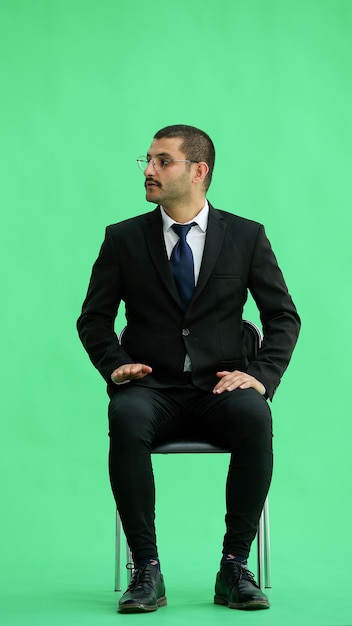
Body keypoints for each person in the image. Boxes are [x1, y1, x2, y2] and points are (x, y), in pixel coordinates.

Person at [77, 124, 300, 614]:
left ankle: (234, 566)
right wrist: (115, 367)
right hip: (150, 387)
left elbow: (283, 316)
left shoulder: (245, 236)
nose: (149, 170)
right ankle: (146, 569)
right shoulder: (123, 239)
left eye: (162, 161)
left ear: (199, 171)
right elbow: (92, 318)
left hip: (219, 386)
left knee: (255, 415)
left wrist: (260, 376)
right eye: (148, 161)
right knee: (126, 417)